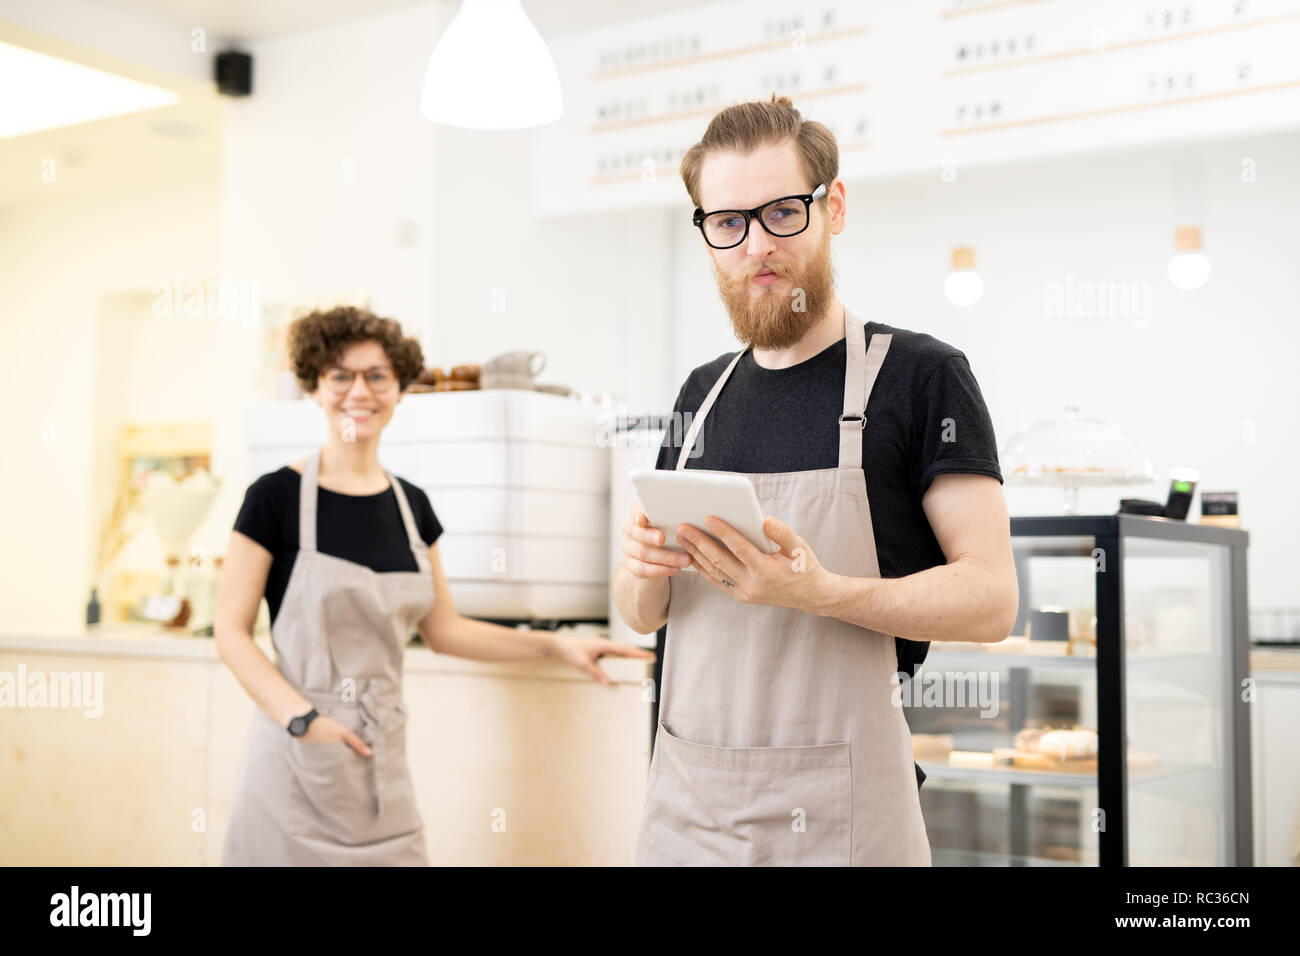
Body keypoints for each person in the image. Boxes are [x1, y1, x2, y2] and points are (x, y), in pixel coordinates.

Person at [613, 96, 1019, 866]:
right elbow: (644, 614)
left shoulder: (921, 376)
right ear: (706, 233)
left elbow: (992, 599)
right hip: (690, 807)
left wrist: (818, 590)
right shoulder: (700, 396)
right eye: (728, 222)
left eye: (782, 213)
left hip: (841, 818)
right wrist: (637, 571)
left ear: (832, 207)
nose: (756, 244)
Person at [219, 305, 652, 865]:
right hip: (295, 758)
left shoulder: (412, 507)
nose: (360, 391)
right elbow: (230, 631)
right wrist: (303, 721)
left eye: (377, 375)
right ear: (314, 388)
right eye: (340, 376)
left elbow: (445, 630)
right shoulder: (272, 498)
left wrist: (556, 644)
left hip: (382, 758)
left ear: (399, 387)